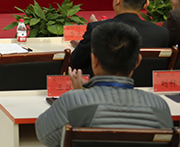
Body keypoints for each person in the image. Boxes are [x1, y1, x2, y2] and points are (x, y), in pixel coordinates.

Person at [36, 22, 173, 147]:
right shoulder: (159, 106)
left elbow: (43, 135)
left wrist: (80, 94)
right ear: (138, 61)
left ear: (94, 60)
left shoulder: (73, 101)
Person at [70, 0, 169, 75]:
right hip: (148, 85)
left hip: (104, 86)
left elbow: (76, 61)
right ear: (146, 4)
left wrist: (98, 27)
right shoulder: (161, 33)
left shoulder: (97, 29)